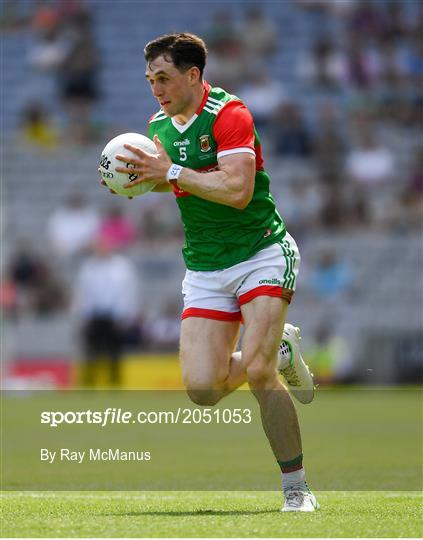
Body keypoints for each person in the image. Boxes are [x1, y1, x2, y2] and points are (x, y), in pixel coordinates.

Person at [103, 33, 318, 512]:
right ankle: (280, 347)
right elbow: (175, 181)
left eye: (163, 78)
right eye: (149, 80)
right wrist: (136, 180)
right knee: (202, 389)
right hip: (204, 266)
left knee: (259, 372)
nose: (155, 88)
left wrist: (172, 172)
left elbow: (238, 190)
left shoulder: (230, 114)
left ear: (193, 74)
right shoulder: (158, 128)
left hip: (261, 251)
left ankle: (297, 492)